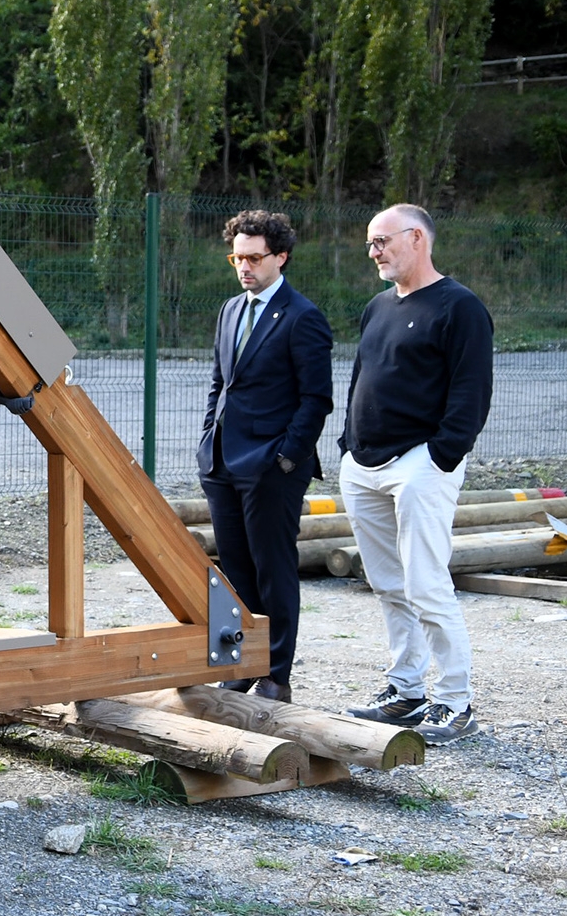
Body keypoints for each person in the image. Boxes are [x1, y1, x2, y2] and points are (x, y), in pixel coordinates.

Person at [340, 204, 493, 744]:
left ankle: (455, 701)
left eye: (382, 241)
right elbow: (363, 375)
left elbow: (472, 392)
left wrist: (442, 456)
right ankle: (406, 691)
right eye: (370, 243)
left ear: (417, 239)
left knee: (426, 584)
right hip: (363, 465)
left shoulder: (460, 308)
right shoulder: (378, 306)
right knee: (387, 584)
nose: (374, 251)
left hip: (421, 465)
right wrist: (347, 445)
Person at [197, 211, 334, 703]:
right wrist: (207, 437)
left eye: (254, 257)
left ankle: (277, 674)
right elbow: (220, 382)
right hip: (222, 463)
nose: (244, 266)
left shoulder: (303, 317)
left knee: (273, 568)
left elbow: (317, 398)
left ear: (281, 257)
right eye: (237, 256)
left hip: (272, 468)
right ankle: (241, 663)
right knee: (235, 570)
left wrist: (287, 459)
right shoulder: (231, 309)